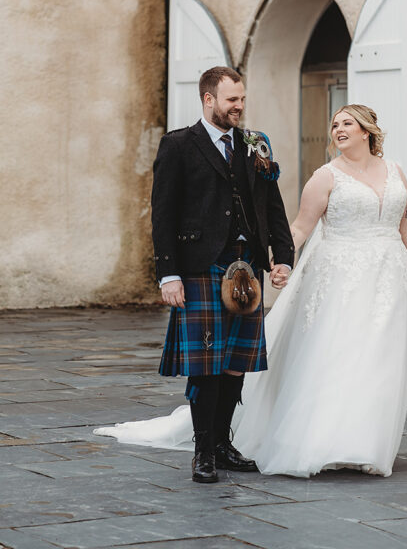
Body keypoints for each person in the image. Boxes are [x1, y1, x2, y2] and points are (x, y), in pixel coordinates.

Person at [96, 104, 407, 479]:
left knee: (379, 361)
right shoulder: (326, 177)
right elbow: (298, 228)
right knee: (339, 356)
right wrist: (283, 262)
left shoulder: (396, 173)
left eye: (347, 123)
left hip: (389, 280)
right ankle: (326, 442)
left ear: (367, 131)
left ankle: (367, 443)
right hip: (339, 278)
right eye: (334, 124)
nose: (339, 129)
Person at [94, 66, 295, 485]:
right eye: (231, 100)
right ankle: (203, 451)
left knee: (237, 362)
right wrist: (168, 274)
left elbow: (270, 203)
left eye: (241, 98)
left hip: (247, 268)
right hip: (201, 267)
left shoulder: (255, 143)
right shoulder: (179, 145)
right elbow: (162, 214)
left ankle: (222, 444)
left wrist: (283, 256)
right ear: (208, 100)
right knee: (206, 361)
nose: (239, 106)